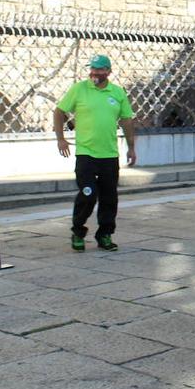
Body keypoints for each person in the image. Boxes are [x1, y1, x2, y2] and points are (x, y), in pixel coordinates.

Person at [54, 54, 137, 252]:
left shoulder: (117, 93)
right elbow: (59, 112)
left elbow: (126, 120)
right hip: (86, 154)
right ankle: (78, 232)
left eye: (99, 70)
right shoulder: (79, 89)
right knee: (88, 194)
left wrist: (131, 147)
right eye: (92, 69)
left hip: (109, 155)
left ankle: (105, 234)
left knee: (109, 197)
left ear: (108, 71)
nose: (95, 73)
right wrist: (60, 138)